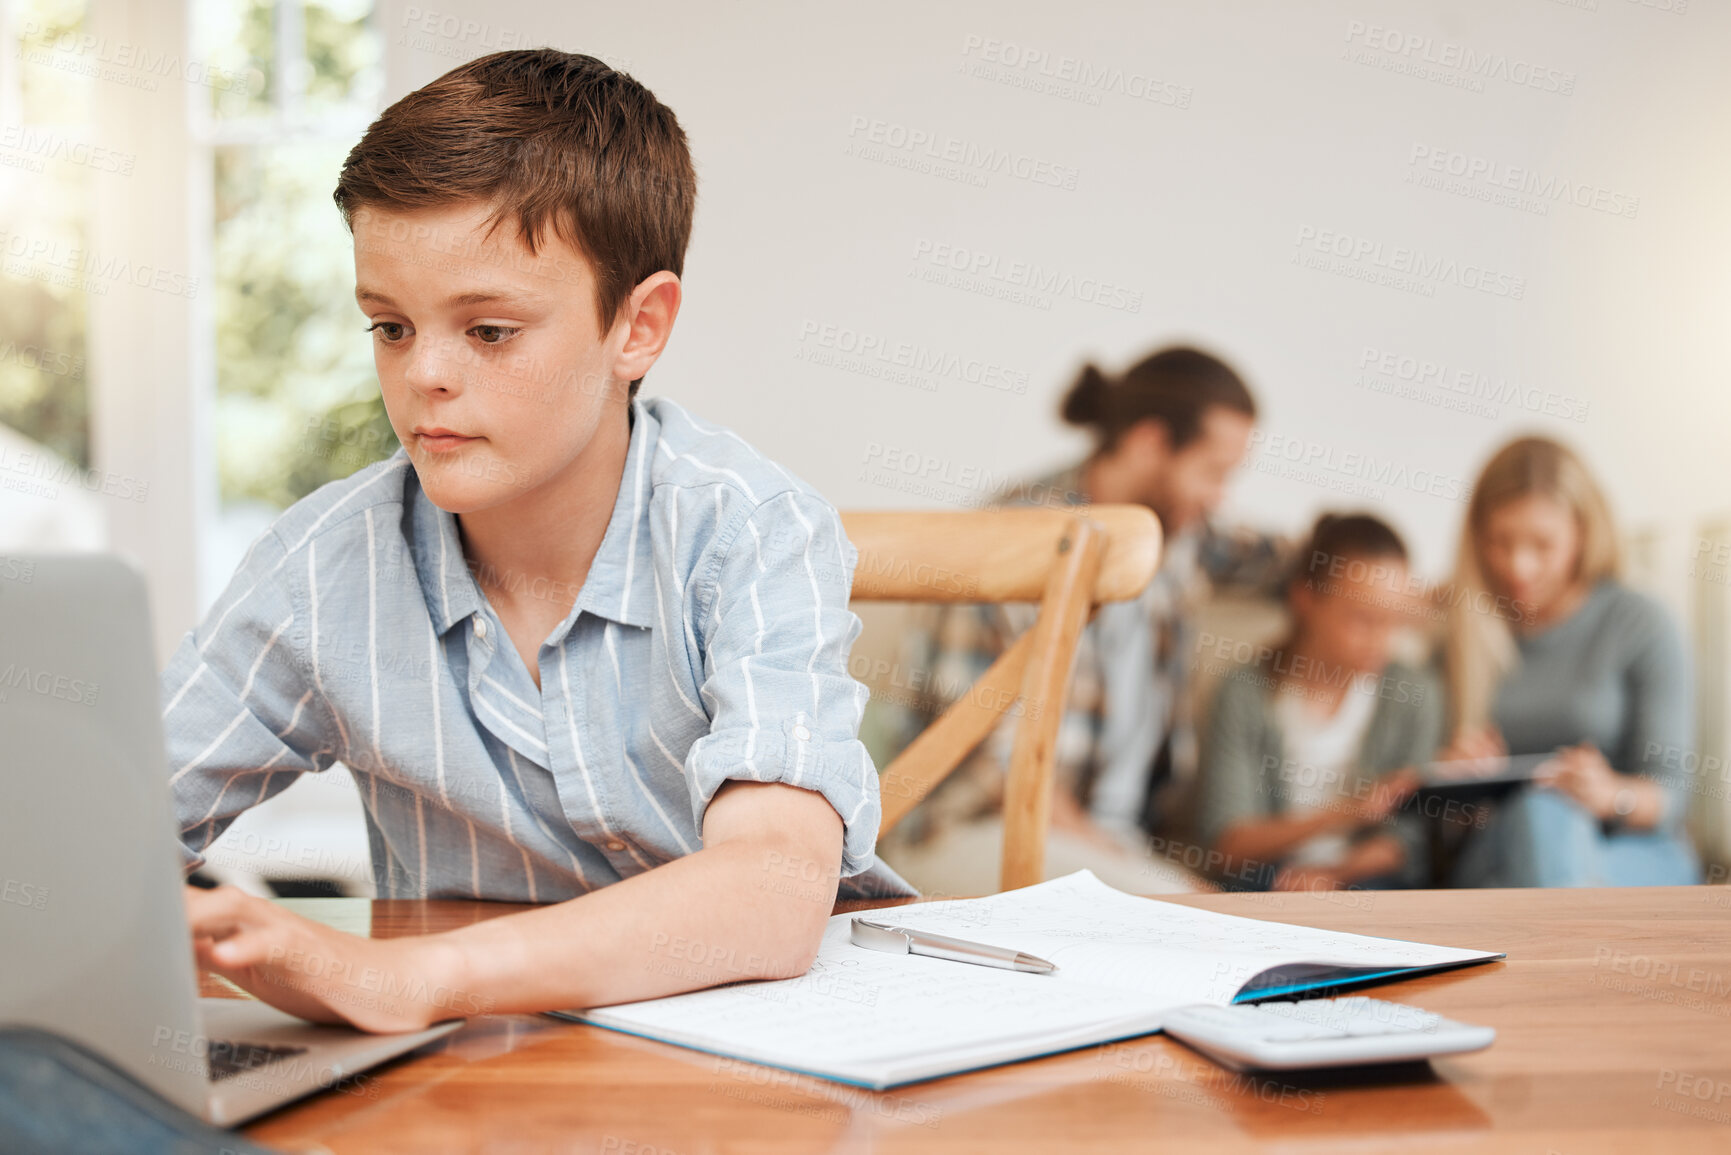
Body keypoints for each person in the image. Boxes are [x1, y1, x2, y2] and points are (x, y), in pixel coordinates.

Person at [163, 48, 912, 1034]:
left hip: (780, 1068)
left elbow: (771, 890)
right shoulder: (322, 567)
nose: (424, 374)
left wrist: (419, 977)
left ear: (638, 326)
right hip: (478, 1078)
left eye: (489, 331)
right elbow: (91, 841)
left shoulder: (747, 530)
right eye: (389, 327)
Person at [877, 347, 1291, 895]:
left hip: (1113, 846)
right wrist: (1129, 863)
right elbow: (996, 771)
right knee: (1211, 920)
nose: (1220, 497)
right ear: (1149, 442)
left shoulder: (1180, 536)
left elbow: (1293, 560)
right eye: (1213, 472)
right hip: (981, 832)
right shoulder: (1013, 546)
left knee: (1234, 915)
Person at [1440, 436, 1700, 887]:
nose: (1519, 566)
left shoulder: (1641, 623)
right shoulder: (1457, 636)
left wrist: (1608, 796)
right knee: (1537, 817)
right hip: (1501, 853)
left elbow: (1670, 795)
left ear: (1583, 534)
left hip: (1628, 852)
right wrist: (1458, 789)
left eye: (1543, 545)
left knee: (1549, 818)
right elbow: (1429, 829)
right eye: (1501, 542)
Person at [1197, 514, 1440, 892]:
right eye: (1362, 619)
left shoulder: (1414, 695)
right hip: (1265, 880)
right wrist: (1343, 814)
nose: (1381, 640)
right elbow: (1228, 844)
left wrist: (1332, 877)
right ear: (1305, 598)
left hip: (1367, 882)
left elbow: (1405, 843)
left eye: (1393, 621)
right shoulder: (1244, 693)